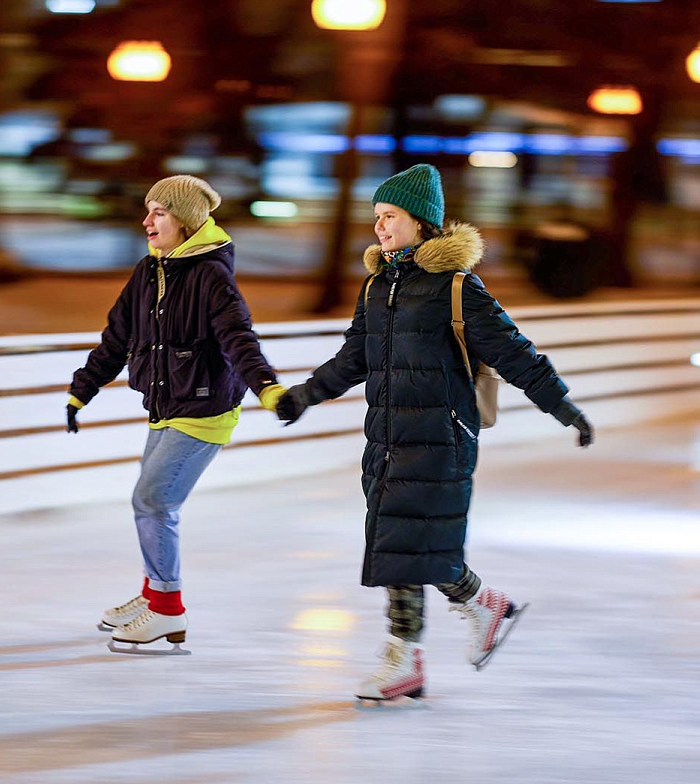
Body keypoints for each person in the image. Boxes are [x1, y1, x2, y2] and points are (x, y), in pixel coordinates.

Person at [275, 164, 593, 701]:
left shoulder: (457, 288)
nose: (379, 228)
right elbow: (354, 357)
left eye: (389, 216)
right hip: (387, 436)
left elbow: (514, 353)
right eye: (375, 217)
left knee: (406, 542)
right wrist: (306, 394)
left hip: (441, 436)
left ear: (420, 221)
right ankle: (476, 609)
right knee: (404, 541)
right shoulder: (379, 286)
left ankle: (407, 656)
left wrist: (561, 407)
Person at [67, 175, 286, 655]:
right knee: (151, 504)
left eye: (159, 213)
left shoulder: (211, 276)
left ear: (185, 220)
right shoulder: (150, 271)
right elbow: (117, 338)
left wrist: (267, 388)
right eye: (148, 211)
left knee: (153, 502)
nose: (147, 221)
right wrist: (83, 390)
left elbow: (238, 338)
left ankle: (167, 610)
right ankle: (153, 593)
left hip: (205, 409)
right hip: (166, 405)